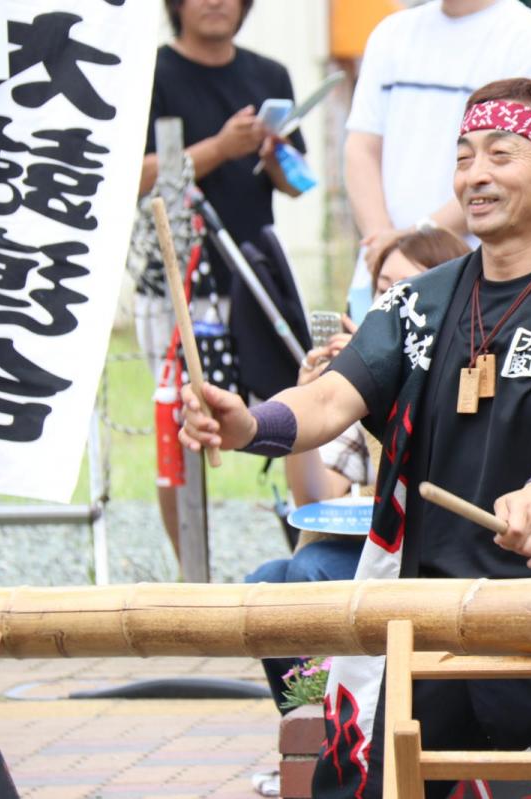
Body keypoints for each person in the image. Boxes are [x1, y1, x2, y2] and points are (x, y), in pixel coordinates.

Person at [181, 78, 531, 799]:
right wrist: (249, 424)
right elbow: (332, 396)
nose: (476, 174)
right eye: (464, 156)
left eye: (501, 153)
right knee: (355, 786)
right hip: (442, 618)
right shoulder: (419, 302)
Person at [246, 226, 472, 718]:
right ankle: (306, 729)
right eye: (381, 289)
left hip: (429, 559)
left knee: (310, 572)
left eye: (404, 290)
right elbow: (313, 500)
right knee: (263, 583)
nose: (388, 302)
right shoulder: (356, 377)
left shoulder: (465, 366)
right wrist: (306, 402)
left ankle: (351, 728)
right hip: (369, 550)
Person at [136, 0, 308, 560]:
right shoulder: (150, 70)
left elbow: (297, 183)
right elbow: (130, 176)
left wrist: (273, 153)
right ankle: (193, 571)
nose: (217, 3)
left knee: (291, 399)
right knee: (185, 416)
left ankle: (313, 552)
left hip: (257, 271)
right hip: (179, 275)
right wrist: (218, 148)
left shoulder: (268, 74)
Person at [342, 0, 531, 322]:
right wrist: (384, 245)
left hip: (476, 281)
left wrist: (414, 239)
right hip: (382, 277)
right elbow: (361, 147)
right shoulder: (391, 33)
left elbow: (514, 171)